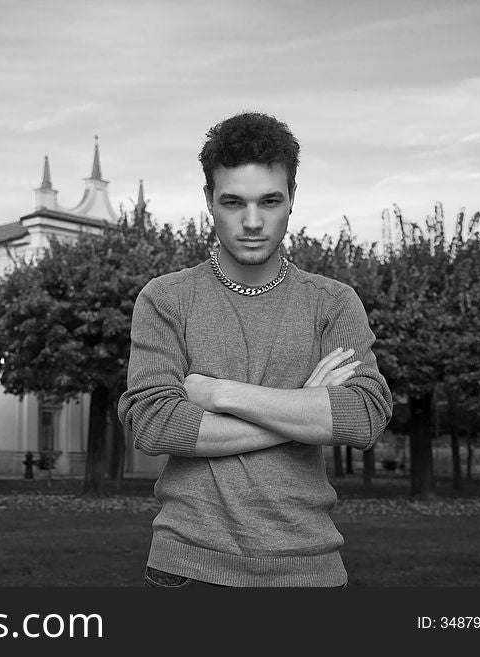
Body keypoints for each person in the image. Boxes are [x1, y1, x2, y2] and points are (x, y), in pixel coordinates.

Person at [117, 111, 393, 587]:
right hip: (188, 567)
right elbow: (155, 425)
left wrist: (221, 393)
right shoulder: (165, 299)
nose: (251, 222)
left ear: (291, 200)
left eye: (269, 201)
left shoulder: (332, 302)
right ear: (209, 200)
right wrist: (303, 412)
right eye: (232, 202)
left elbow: (364, 415)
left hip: (309, 567)